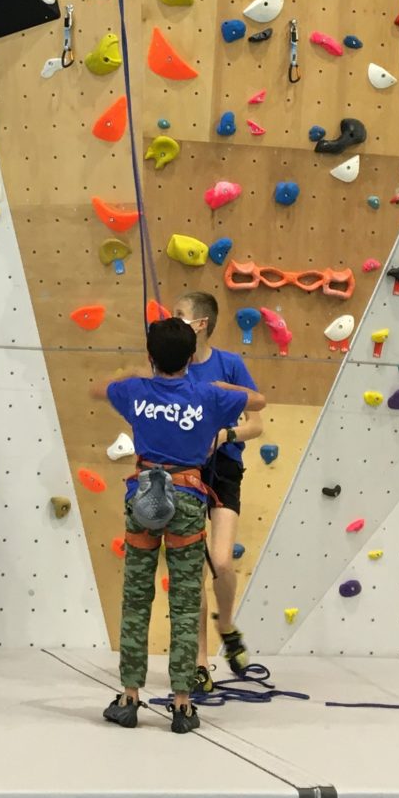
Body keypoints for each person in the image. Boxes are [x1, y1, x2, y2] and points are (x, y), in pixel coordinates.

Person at [101, 316, 261, 733]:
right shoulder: (209, 395)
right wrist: (221, 387)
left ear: (151, 355)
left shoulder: (134, 391)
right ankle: (182, 703)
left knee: (136, 598)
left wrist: (138, 372)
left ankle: (129, 697)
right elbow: (258, 402)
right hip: (188, 499)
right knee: (186, 602)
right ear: (192, 357)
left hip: (143, 498)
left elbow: (102, 388)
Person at [173, 290, 264, 693]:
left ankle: (226, 625)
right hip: (187, 471)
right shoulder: (172, 366)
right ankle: (200, 663)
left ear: (200, 324)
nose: (172, 319)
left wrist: (224, 434)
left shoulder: (230, 365)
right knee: (193, 568)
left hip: (224, 468)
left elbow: (256, 424)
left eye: (179, 314)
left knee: (222, 561)